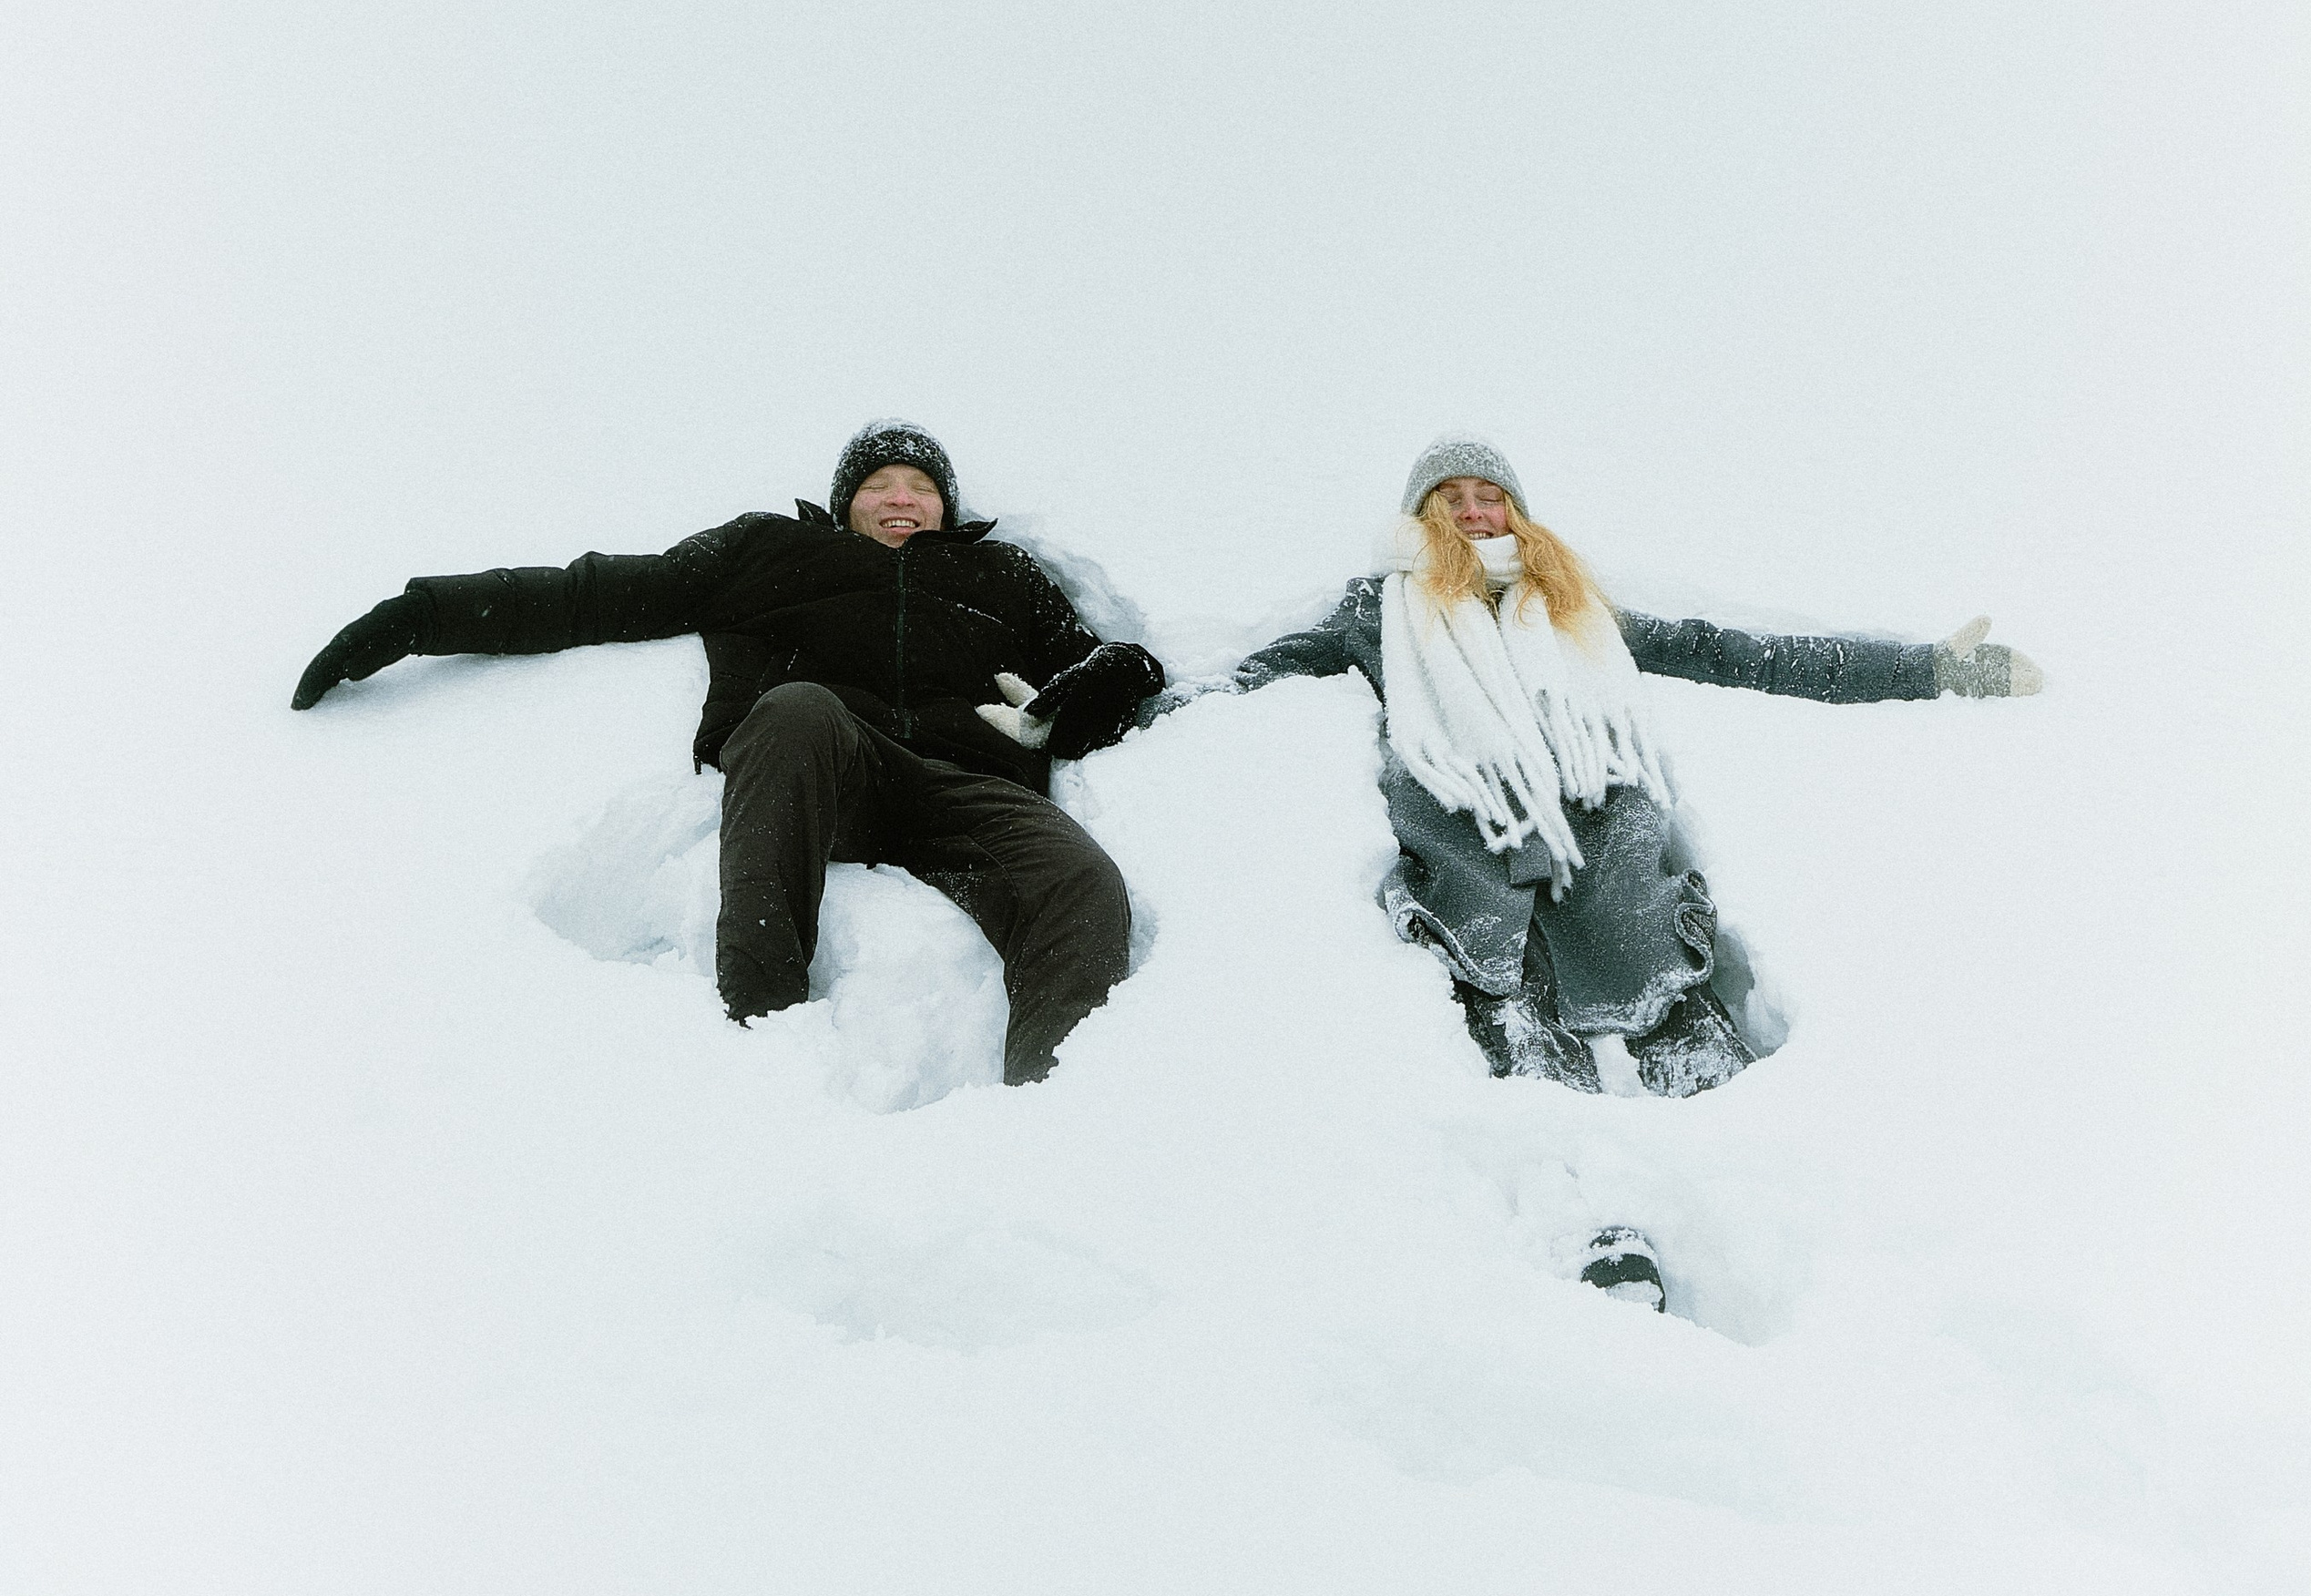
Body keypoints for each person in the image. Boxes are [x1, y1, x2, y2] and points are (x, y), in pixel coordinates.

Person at [1197, 436, 2042, 1307]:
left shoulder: (1572, 610)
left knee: (1689, 1043)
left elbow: (1735, 653)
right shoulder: (1379, 615)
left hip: (1612, 869)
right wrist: (1137, 713)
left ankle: (1792, 1234)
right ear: (1420, 515)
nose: (1472, 510)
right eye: (1448, 496)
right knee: (1523, 1058)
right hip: (1475, 876)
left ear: (1515, 510)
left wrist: (1926, 670)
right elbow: (1261, 678)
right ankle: (1595, 1234)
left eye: (1489, 494)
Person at [291, 422, 1163, 1084]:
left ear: (945, 506)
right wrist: (420, 616)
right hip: (821, 769)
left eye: (921, 486)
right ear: (844, 499)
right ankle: (763, 1039)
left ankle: (1057, 1104)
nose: (901, 497)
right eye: (880, 483)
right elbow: (597, 594)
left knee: (1079, 883)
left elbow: (1114, 667)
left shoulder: (1002, 575)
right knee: (793, 712)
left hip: (968, 786)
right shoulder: (771, 552)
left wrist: (1093, 685)